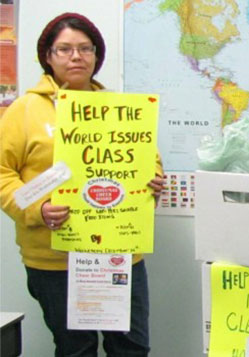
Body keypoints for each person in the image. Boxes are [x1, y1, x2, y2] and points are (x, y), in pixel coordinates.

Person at [0, 13, 163, 355]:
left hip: (120, 253)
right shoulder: (25, 109)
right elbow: (2, 172)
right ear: (48, 56)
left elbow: (149, 160)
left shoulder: (121, 109)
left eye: (85, 48)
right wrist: (36, 209)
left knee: (132, 348)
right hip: (55, 259)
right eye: (65, 49)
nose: (76, 56)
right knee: (77, 350)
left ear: (96, 56)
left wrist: (154, 181)